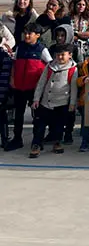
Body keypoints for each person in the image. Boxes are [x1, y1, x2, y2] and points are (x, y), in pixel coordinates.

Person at [5, 22, 51, 151]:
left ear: (37, 35)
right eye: (25, 33)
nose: (26, 35)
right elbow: (14, 64)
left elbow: (50, 66)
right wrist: (12, 79)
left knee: (37, 115)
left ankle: (37, 140)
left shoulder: (42, 49)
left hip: (34, 88)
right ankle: (17, 139)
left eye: (29, 33)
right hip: (19, 87)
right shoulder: (20, 47)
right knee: (18, 115)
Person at [29, 43, 78, 158]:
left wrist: (72, 103)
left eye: (63, 55)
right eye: (58, 55)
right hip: (45, 102)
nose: (60, 57)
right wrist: (36, 99)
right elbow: (41, 83)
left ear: (69, 55)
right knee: (39, 125)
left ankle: (57, 142)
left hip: (62, 102)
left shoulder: (73, 69)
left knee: (59, 125)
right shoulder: (50, 66)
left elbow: (73, 88)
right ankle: (36, 144)